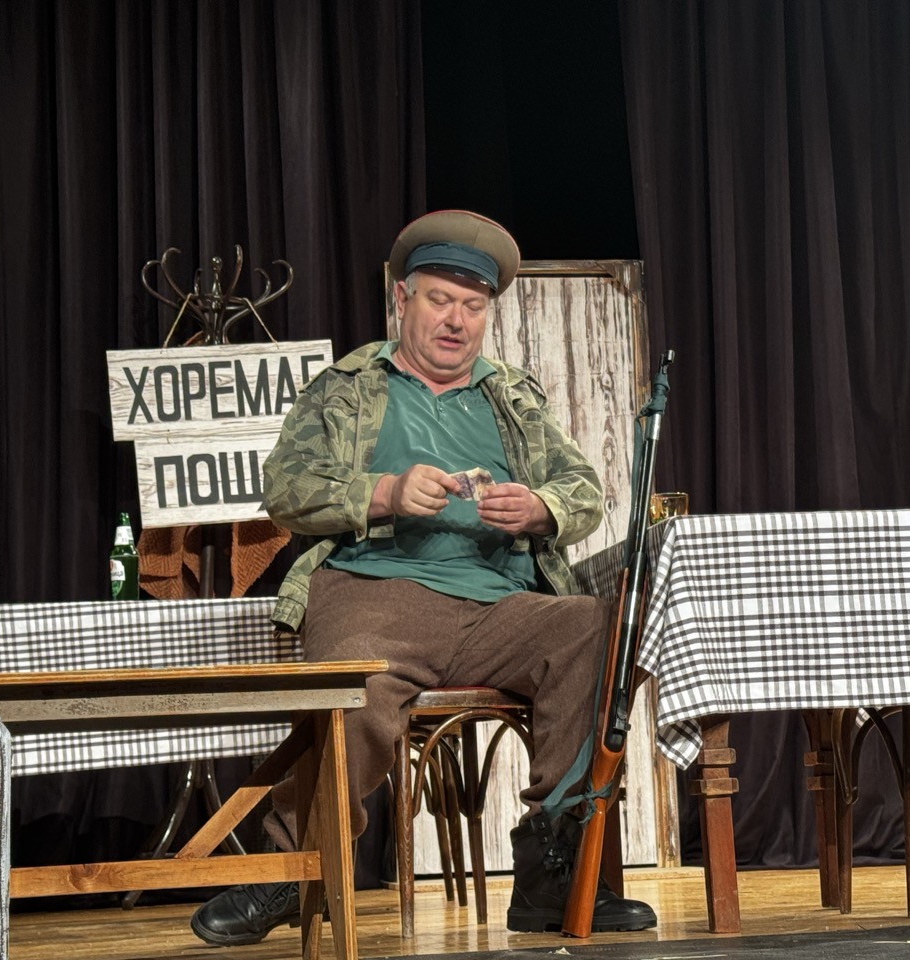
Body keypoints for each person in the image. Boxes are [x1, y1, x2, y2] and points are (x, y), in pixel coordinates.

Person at [190, 210, 657, 946]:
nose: (457, 321)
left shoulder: (512, 398)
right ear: (402, 300)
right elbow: (285, 489)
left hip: (501, 605)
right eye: (440, 300)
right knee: (355, 684)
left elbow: (584, 490)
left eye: (473, 306)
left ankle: (553, 873)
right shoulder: (348, 388)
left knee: (595, 630)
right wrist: (383, 492)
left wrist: (540, 508)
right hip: (375, 595)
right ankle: (294, 867)